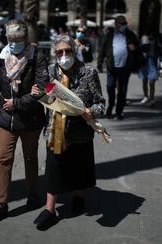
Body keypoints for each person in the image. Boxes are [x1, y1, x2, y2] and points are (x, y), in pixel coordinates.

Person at [30, 35, 105, 228]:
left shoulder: (88, 72)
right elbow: (45, 96)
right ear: (54, 54)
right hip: (55, 130)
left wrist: (91, 111)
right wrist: (36, 94)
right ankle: (49, 209)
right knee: (54, 169)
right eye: (59, 52)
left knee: (79, 167)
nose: (64, 55)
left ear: (74, 50)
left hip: (80, 131)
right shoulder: (49, 72)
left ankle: (78, 196)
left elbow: (101, 104)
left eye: (68, 51)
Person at [0, 19, 48, 224]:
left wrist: (17, 103)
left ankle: (32, 193)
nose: (13, 43)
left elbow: (42, 87)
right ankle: (0, 204)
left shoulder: (36, 56)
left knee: (30, 158)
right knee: (3, 160)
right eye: (10, 39)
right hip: (5, 118)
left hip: (30, 119)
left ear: (25, 38)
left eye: (18, 39)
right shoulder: (2, 55)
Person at [97, 15, 141, 120]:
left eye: (125, 24)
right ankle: (110, 106)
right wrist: (99, 63)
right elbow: (102, 49)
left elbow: (138, 49)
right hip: (111, 67)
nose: (124, 26)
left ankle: (119, 112)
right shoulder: (109, 34)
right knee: (110, 87)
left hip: (125, 68)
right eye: (122, 24)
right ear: (116, 24)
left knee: (122, 91)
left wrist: (134, 48)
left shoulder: (130, 35)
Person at [138, 33, 162, 106]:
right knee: (144, 82)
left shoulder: (158, 48)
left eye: (152, 39)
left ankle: (152, 99)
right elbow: (138, 52)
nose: (151, 41)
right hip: (145, 66)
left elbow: (161, 57)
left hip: (153, 67)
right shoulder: (145, 46)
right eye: (150, 39)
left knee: (151, 84)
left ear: (155, 40)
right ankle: (145, 96)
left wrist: (160, 58)